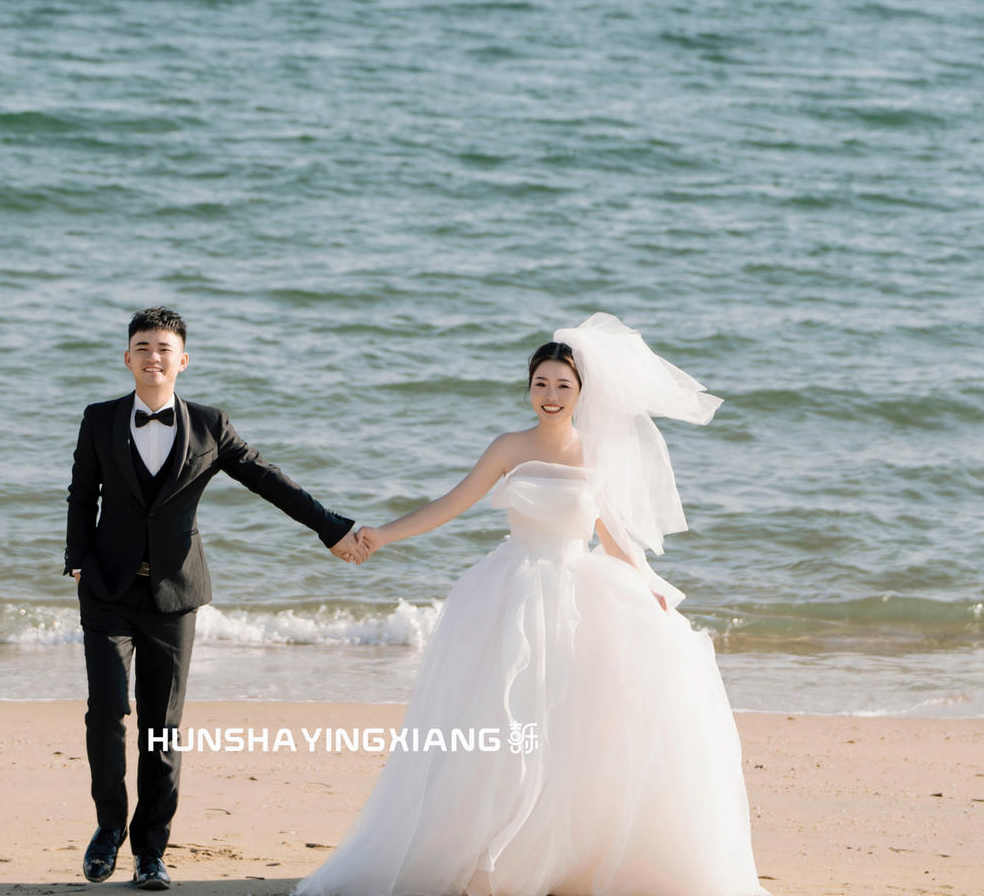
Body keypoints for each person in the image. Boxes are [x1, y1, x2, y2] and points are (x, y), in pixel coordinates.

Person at [295, 313, 771, 896]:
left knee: (572, 729)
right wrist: (383, 535)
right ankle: (491, 855)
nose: (551, 395)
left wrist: (649, 586)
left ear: (582, 393)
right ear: (528, 388)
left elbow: (615, 537)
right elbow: (452, 503)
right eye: (541, 383)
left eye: (563, 386)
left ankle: (562, 856)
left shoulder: (598, 453)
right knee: (503, 726)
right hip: (511, 593)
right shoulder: (509, 448)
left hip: (579, 599)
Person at [64, 307, 365, 890]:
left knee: (162, 727)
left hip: (175, 595)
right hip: (106, 589)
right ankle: (109, 827)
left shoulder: (210, 425)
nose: (153, 357)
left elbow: (268, 480)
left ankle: (151, 850)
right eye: (142, 347)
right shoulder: (99, 419)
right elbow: (82, 492)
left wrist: (331, 528)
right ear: (127, 358)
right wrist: (76, 558)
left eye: (164, 348)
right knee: (107, 711)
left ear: (183, 360)